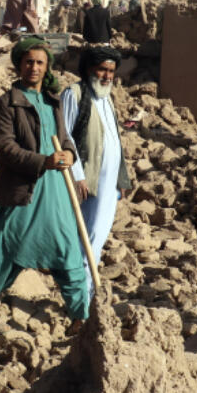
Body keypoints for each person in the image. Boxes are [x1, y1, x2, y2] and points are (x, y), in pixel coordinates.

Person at [0, 38, 90, 327]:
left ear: (47, 65)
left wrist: (69, 155)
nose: (33, 67)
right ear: (19, 64)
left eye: (39, 62)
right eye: (28, 62)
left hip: (57, 190)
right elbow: (5, 146)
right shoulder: (8, 102)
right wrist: (43, 161)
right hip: (25, 189)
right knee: (2, 247)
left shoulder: (54, 101)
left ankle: (80, 316)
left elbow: (65, 140)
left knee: (67, 249)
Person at [61, 46, 131, 283]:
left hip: (109, 185)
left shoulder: (106, 98)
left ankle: (87, 291)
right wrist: (78, 175)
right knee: (88, 237)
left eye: (111, 71)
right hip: (88, 182)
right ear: (89, 69)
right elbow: (64, 138)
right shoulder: (75, 94)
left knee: (98, 237)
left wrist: (121, 179)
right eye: (102, 69)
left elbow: (115, 141)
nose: (107, 76)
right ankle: (83, 293)